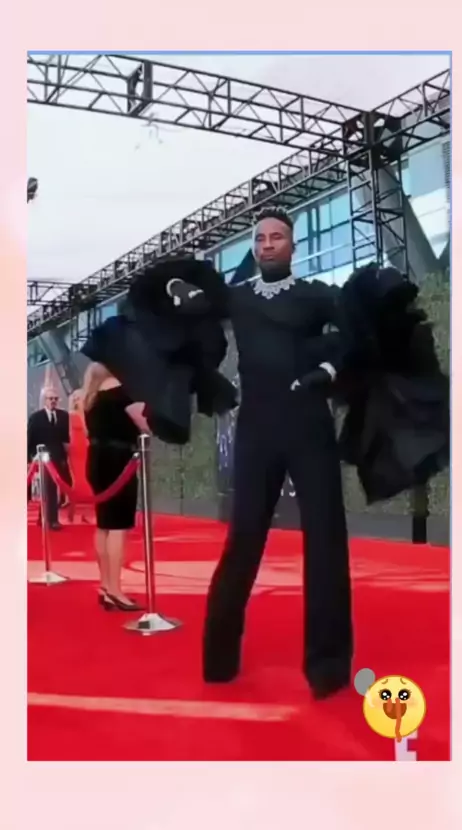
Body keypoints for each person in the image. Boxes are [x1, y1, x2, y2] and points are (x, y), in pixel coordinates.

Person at [167, 207, 353, 699]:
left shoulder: (316, 295)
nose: (267, 244)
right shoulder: (238, 297)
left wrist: (326, 372)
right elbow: (192, 308)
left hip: (310, 427)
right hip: (257, 430)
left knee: (326, 540)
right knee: (243, 538)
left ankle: (328, 667)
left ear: (292, 245)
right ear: (255, 247)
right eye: (261, 238)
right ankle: (219, 659)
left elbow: (356, 335)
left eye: (277, 237)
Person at [82, 362, 151, 612]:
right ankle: (115, 590)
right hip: (118, 460)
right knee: (118, 526)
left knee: (104, 524)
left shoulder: (90, 398)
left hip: (96, 460)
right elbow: (144, 423)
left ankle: (105, 586)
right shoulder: (123, 392)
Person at [27, 386, 71, 530]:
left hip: (59, 458)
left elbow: (65, 439)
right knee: (49, 488)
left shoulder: (64, 416)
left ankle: (45, 518)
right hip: (42, 458)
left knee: (56, 488)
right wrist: (29, 459)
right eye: (50, 398)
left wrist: (67, 458)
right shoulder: (36, 417)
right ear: (44, 400)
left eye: (55, 399)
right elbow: (30, 439)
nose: (53, 401)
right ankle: (50, 520)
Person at [66, 390, 91, 523]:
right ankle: (72, 512)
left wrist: (83, 414)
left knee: (88, 478)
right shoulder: (69, 416)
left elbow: (88, 432)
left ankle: (86, 513)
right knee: (75, 481)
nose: (76, 400)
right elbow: (67, 433)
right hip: (74, 450)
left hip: (86, 448)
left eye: (78, 398)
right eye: (74, 398)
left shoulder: (88, 414)